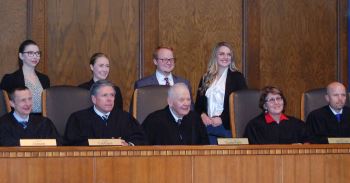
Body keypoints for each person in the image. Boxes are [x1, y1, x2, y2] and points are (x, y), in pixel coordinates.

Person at [65, 80, 147, 146]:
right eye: (104, 95)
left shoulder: (125, 118)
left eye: (112, 95)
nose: (109, 99)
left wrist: (128, 145)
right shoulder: (78, 119)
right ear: (94, 99)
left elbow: (141, 139)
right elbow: (71, 144)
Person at [195, 42, 247, 144]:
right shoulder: (206, 78)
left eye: (229, 54)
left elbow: (242, 106)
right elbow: (198, 105)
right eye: (221, 54)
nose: (225, 57)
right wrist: (202, 115)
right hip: (207, 127)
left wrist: (222, 119)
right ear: (215, 56)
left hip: (227, 128)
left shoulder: (237, 77)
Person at [142, 83, 209, 145]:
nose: (186, 103)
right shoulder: (154, 121)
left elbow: (205, 147)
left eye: (188, 99)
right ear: (170, 102)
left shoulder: (195, 119)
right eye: (181, 100)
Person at [243, 86, 308, 144]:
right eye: (271, 100)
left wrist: (301, 147)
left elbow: (309, 142)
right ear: (265, 106)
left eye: (278, 98)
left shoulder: (297, 124)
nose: (276, 102)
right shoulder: (254, 126)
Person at [0, 39, 50, 114]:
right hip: (19, 122)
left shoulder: (44, 79)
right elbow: (3, 106)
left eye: (37, 53)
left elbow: (47, 105)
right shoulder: (10, 79)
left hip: (41, 121)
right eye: (30, 53)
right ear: (21, 56)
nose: (35, 56)